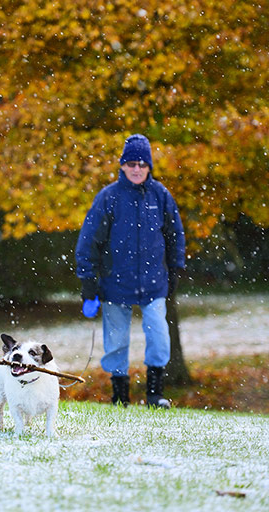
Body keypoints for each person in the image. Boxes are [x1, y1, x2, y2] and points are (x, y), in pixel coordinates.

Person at [75, 134, 185, 408]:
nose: (137, 169)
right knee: (116, 341)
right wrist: (88, 280)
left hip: (154, 284)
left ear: (149, 167)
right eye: (131, 163)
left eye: (142, 164)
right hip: (115, 284)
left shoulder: (160, 196)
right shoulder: (108, 198)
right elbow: (89, 241)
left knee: (159, 336)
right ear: (122, 166)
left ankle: (155, 394)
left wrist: (175, 270)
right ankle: (120, 396)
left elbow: (175, 236)